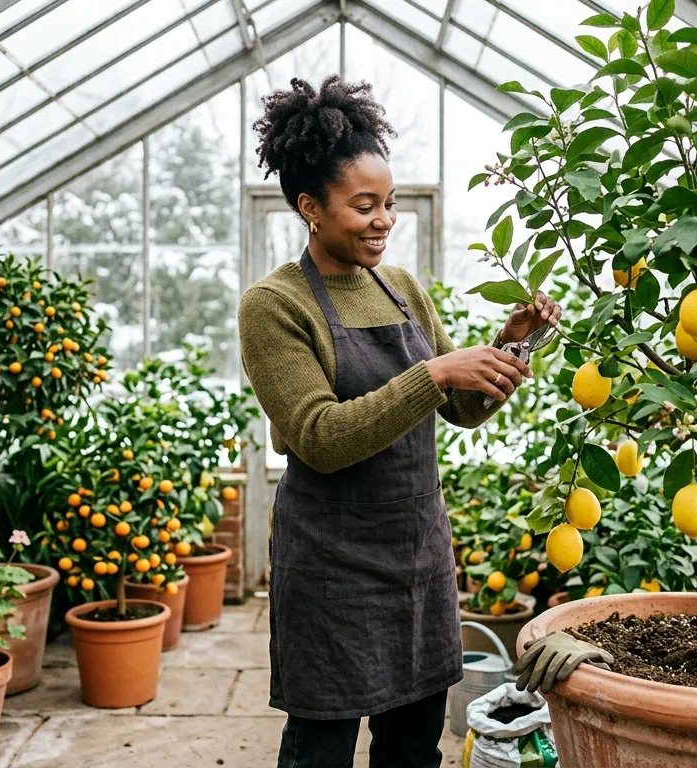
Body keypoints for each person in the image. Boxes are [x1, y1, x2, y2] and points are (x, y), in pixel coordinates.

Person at [239, 75, 561, 768]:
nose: (384, 219)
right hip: (330, 568)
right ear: (310, 207)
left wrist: (511, 346)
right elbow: (320, 438)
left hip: (416, 558)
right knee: (321, 751)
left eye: (388, 203)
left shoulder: (404, 289)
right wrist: (435, 372)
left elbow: (462, 410)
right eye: (364, 206)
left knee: (414, 749)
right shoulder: (275, 305)